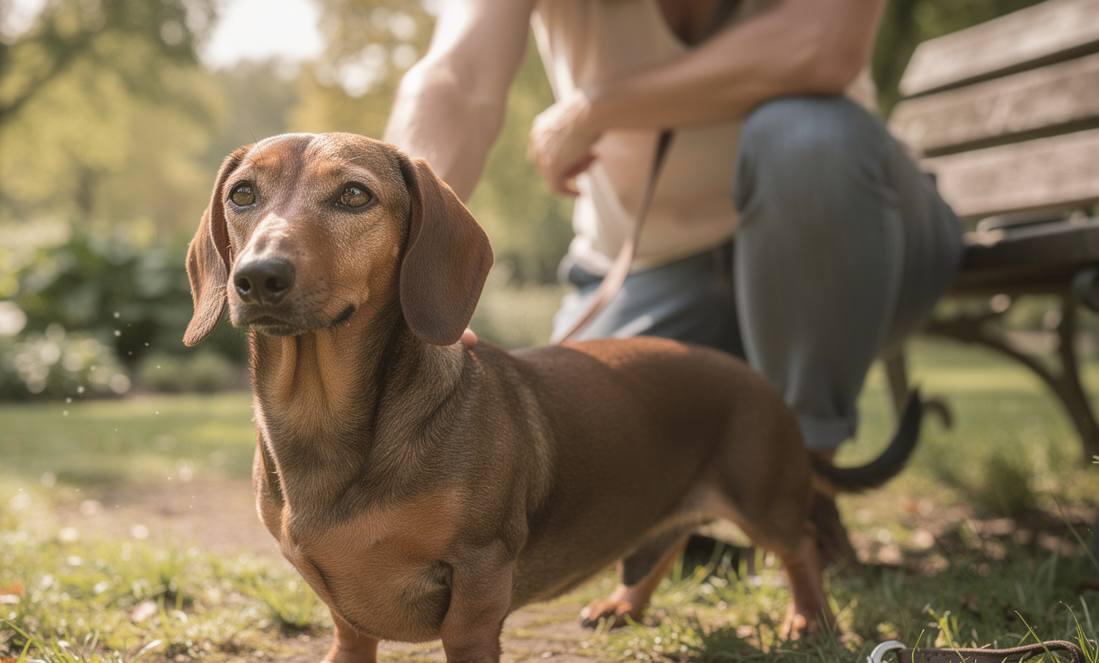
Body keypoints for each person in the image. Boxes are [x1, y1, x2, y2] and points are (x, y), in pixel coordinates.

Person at [383, 0, 965, 565]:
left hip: (861, 248)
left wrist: (599, 105)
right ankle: (688, 522)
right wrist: (402, 263)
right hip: (652, 271)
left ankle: (804, 490)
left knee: (807, 135)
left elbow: (823, 46)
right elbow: (456, 78)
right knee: (561, 477)